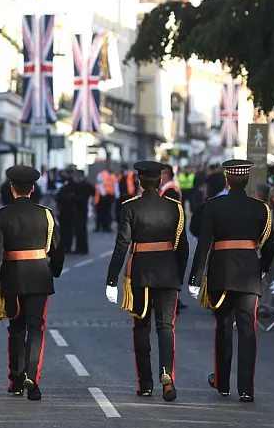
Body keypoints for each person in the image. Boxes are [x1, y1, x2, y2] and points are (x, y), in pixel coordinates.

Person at [188, 159, 274, 403]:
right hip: (249, 274)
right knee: (247, 331)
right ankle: (246, 389)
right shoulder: (261, 209)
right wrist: (263, 268)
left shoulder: (213, 206)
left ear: (227, 179)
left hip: (221, 273)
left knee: (223, 328)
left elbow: (204, 244)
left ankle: (223, 383)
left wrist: (195, 277)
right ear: (247, 180)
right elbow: (270, 245)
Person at [105, 161, 188, 402]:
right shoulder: (175, 208)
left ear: (140, 182)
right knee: (166, 327)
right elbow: (182, 247)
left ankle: (146, 383)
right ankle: (167, 376)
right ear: (160, 181)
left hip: (139, 273)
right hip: (167, 272)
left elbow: (122, 245)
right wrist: (178, 276)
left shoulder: (130, 207)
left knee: (141, 327)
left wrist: (112, 279)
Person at [0, 165, 64, 401]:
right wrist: (55, 271)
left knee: (16, 329)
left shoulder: (1, 216)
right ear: (32, 189)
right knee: (36, 328)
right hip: (40, 276)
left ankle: (16, 380)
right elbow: (58, 250)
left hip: (11, 277)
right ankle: (32, 377)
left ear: (12, 188)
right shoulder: (46, 215)